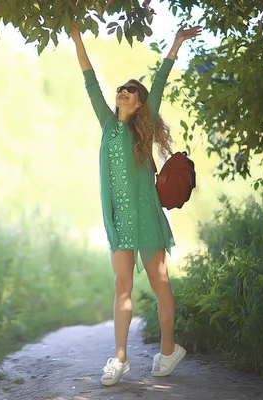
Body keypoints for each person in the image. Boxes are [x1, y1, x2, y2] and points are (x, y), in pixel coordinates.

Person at [70, 22, 202, 386]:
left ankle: (169, 348)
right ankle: (120, 359)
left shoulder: (139, 131)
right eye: (121, 89)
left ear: (140, 101)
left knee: (160, 283)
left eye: (130, 90)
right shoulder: (107, 125)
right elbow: (89, 79)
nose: (122, 92)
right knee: (121, 286)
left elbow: (158, 81)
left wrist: (175, 44)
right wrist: (78, 38)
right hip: (118, 220)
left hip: (146, 216)